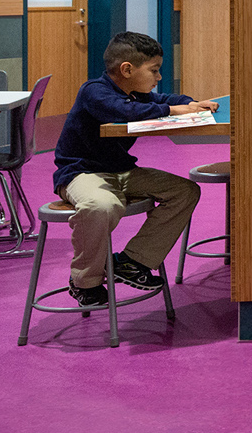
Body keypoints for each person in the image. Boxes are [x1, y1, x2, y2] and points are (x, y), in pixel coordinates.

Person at [51, 32, 213, 307]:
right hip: (81, 173)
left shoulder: (135, 93)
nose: (158, 77)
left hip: (121, 172)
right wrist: (174, 110)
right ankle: (85, 282)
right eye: (154, 70)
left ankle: (132, 260)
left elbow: (165, 97)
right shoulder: (94, 91)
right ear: (127, 69)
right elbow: (123, 112)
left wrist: (191, 103)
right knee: (102, 205)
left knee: (184, 191)